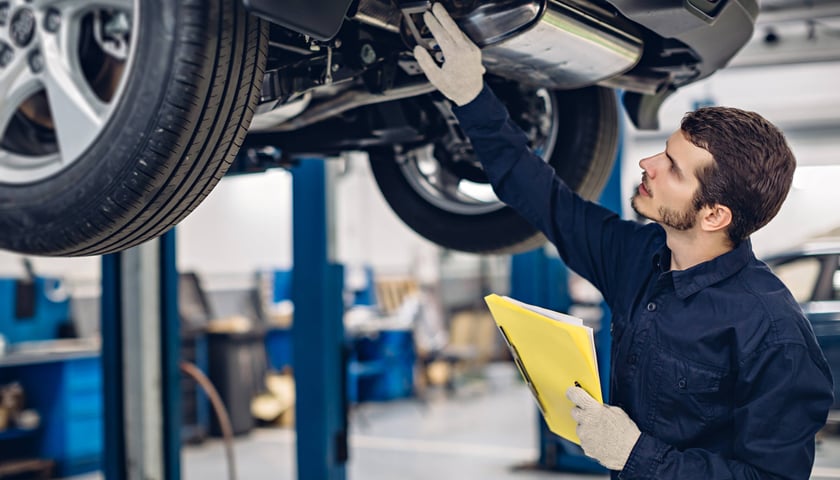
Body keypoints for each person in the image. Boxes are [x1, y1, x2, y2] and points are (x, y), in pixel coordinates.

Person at [413, 4, 834, 479]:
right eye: (664, 151)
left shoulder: (773, 334)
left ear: (714, 215)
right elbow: (547, 201)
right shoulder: (639, 257)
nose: (648, 164)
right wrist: (473, 99)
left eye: (672, 168)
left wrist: (636, 455)